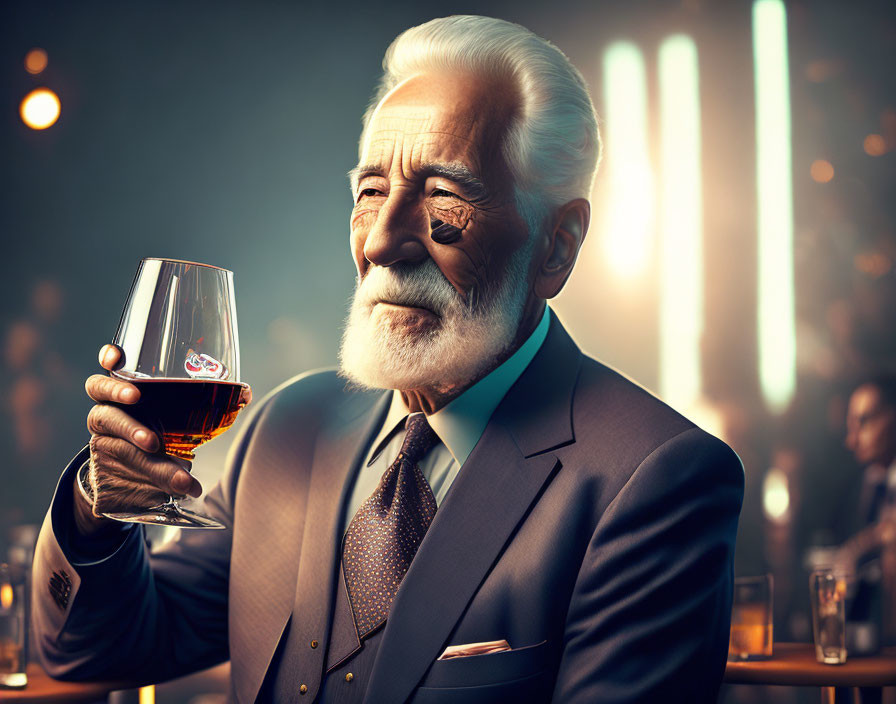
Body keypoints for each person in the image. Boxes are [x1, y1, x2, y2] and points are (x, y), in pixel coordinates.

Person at [31, 15, 744, 703]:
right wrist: (102, 505)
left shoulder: (656, 479)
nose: (381, 242)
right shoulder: (287, 427)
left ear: (556, 245)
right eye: (371, 192)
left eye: (444, 194)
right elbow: (101, 647)